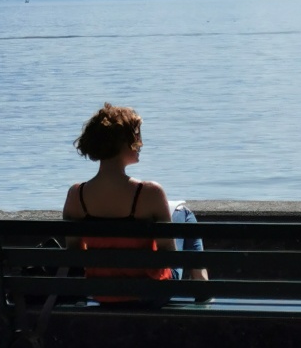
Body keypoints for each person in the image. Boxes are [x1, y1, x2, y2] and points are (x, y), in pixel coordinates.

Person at [63, 103, 207, 293]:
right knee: (184, 214)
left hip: (101, 292)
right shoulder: (150, 192)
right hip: (150, 292)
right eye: (137, 136)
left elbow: (75, 256)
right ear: (123, 142)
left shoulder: (76, 195)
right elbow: (169, 256)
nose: (141, 143)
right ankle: (203, 286)